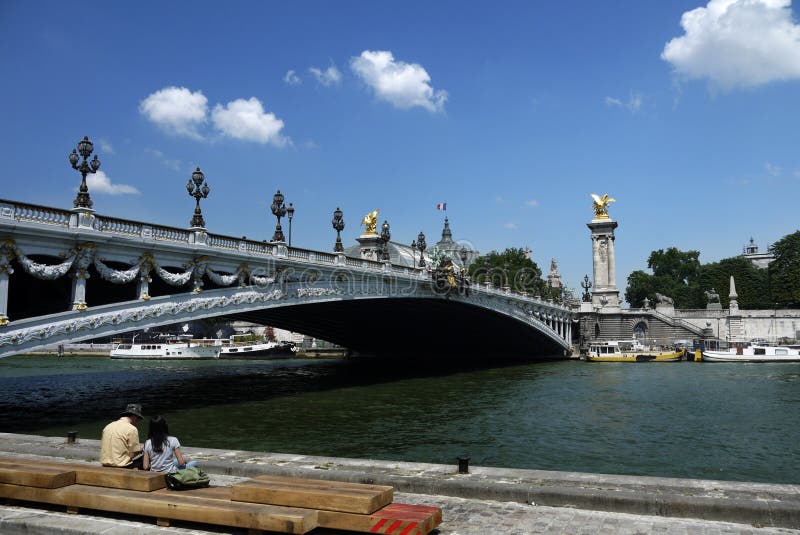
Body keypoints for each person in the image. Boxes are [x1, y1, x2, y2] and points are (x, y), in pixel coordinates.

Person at [100, 403, 144, 469]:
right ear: (134, 417)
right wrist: (142, 448)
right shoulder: (131, 429)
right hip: (122, 467)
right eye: (138, 419)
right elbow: (133, 453)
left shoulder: (108, 426)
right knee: (145, 459)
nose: (138, 422)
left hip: (105, 465)